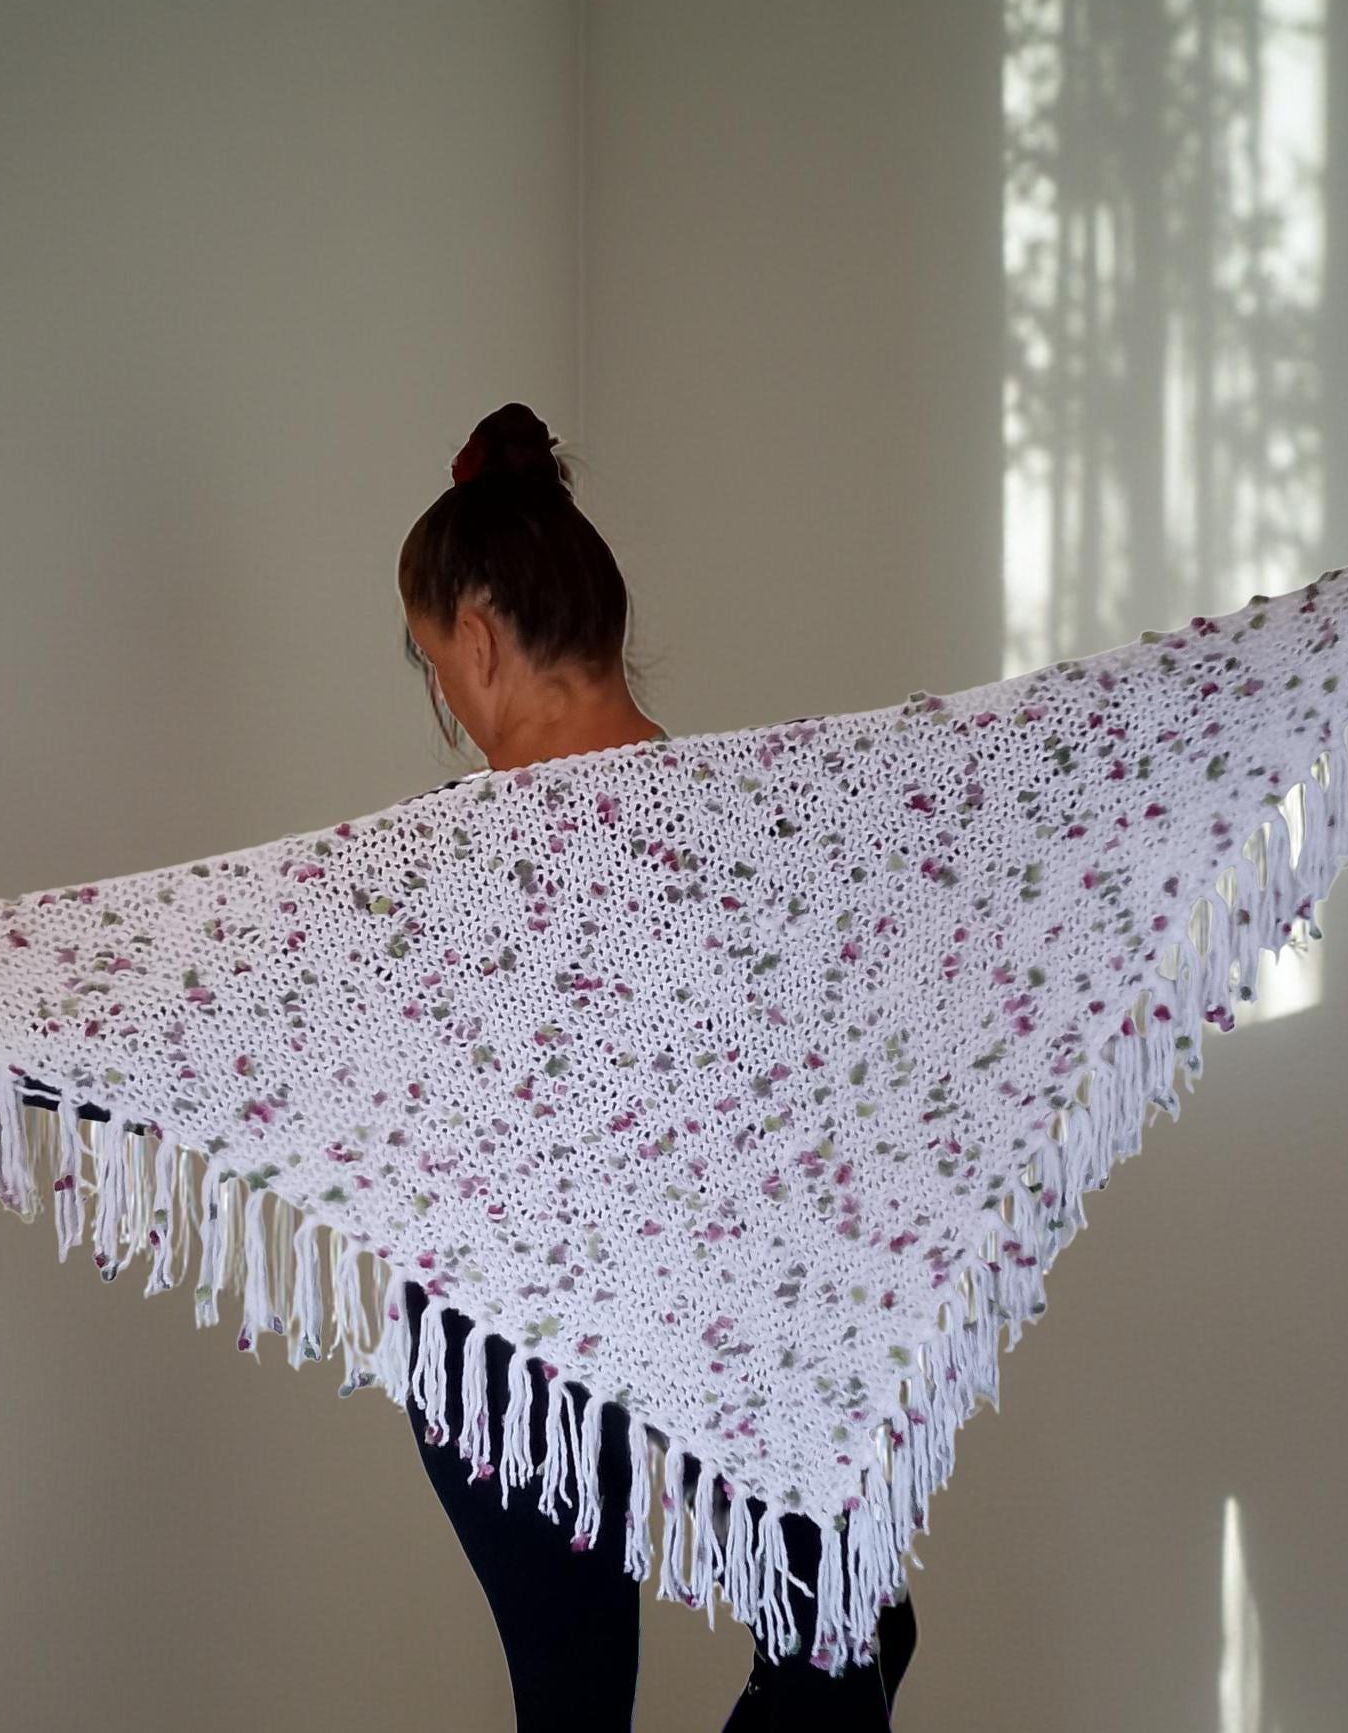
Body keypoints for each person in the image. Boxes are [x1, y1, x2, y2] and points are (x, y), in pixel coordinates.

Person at [393, 402, 919, 1730]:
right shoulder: (756, 823)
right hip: (556, 1338)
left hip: (619, 1327)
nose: (448, 701)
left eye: (431, 665)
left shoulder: (433, 866)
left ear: (477, 639)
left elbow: (243, 1025)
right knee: (828, 1641)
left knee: (827, 1637)